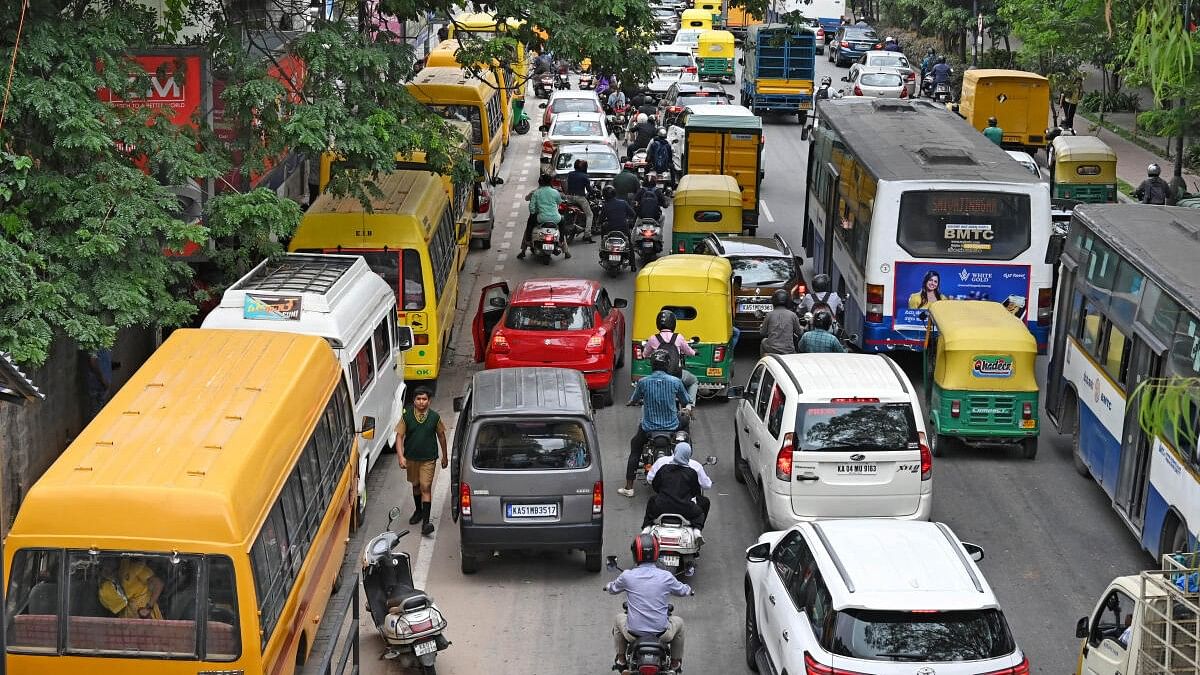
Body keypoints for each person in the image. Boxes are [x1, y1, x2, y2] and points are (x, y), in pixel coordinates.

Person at [604, 534, 693, 672]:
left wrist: (608, 586)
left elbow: (613, 589)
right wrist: (689, 590)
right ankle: (675, 663)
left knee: (618, 619)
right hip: (662, 633)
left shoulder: (627, 576)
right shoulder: (666, 577)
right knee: (679, 623)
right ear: (656, 552)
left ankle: (621, 659)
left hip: (633, 633)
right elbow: (683, 591)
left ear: (635, 554)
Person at [622, 350, 692, 497]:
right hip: (672, 426)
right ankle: (687, 456)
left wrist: (631, 403)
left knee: (635, 448)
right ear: (667, 364)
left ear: (652, 365)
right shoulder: (676, 381)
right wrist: (687, 409)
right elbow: (686, 401)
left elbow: (634, 400)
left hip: (649, 428)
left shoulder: (643, 382)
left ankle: (629, 487)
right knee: (685, 424)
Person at [396, 386, 448, 535]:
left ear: (429, 401)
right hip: (412, 458)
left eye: (424, 399)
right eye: (418, 399)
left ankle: (426, 523)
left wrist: (445, 456)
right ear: (414, 401)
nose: (421, 402)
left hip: (428, 459)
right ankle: (418, 511)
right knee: (416, 485)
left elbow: (442, 437)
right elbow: (399, 436)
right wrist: (401, 456)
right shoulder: (407, 417)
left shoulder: (434, 417)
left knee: (425, 487)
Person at [644, 442, 712, 529]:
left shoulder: (664, 467)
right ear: (688, 454)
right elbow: (696, 492)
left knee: (651, 502)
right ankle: (697, 531)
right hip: (685, 508)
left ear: (674, 451)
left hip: (661, 507)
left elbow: (654, 484)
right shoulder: (692, 471)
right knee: (700, 513)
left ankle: (646, 528)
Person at [640, 309, 700, 403]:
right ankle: (689, 407)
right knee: (693, 381)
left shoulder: (653, 338)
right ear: (673, 323)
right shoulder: (679, 337)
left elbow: (644, 354)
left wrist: (644, 355)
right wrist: (694, 352)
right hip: (677, 374)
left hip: (659, 375)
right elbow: (689, 351)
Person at [519, 173, 571, 259]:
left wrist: (534, 212)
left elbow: (531, 208)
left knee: (529, 225)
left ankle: (525, 246)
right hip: (555, 218)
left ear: (540, 182)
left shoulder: (536, 192)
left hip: (541, 218)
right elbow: (559, 202)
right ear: (550, 182)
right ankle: (563, 246)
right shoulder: (555, 192)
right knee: (561, 225)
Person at [98, 557, 164, 620]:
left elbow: (158, 584)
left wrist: (149, 607)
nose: (107, 564)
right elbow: (115, 608)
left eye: (109, 560)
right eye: (104, 563)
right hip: (128, 624)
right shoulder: (104, 589)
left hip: (150, 619)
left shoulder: (134, 569)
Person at [759, 289, 804, 356]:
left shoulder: (769, 315)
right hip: (789, 350)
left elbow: (762, 333)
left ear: (773, 301)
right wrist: (802, 328)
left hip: (772, 349)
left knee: (763, 341)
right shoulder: (792, 315)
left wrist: (762, 327)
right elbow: (799, 332)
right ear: (787, 301)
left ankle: (764, 359)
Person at [565, 159, 595, 242]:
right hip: (580, 198)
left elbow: (567, 186)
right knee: (590, 215)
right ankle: (587, 235)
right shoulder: (584, 176)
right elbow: (589, 190)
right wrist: (594, 191)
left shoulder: (570, 174)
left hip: (569, 197)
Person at [84, 347, 113, 421]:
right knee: (96, 412)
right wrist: (103, 379)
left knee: (103, 410)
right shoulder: (94, 345)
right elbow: (93, 361)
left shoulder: (106, 344)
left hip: (104, 384)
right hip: (98, 385)